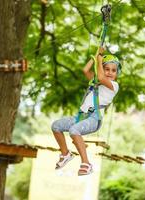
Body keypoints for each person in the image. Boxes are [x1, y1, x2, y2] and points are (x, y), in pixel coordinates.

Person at [51, 47, 121, 176]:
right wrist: (96, 56)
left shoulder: (114, 86)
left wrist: (100, 59)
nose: (110, 72)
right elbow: (85, 70)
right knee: (56, 126)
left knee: (74, 131)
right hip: (81, 117)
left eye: (113, 70)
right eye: (107, 69)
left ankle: (86, 164)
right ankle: (66, 154)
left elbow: (100, 76)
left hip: (94, 119)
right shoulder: (95, 83)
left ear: (117, 74)